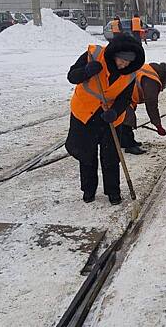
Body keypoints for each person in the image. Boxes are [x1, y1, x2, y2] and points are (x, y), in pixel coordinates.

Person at [65, 34, 145, 205]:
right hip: (84, 113)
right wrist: (86, 71)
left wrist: (115, 112)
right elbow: (72, 76)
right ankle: (88, 190)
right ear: (114, 54)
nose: (124, 64)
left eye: (128, 62)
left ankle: (113, 192)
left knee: (111, 156)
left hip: (109, 118)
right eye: (122, 60)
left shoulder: (129, 74)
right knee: (87, 155)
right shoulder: (93, 55)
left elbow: (125, 98)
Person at [118, 62, 166, 154]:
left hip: (124, 93)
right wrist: (158, 125)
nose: (162, 89)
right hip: (120, 93)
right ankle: (129, 145)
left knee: (125, 117)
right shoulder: (152, 81)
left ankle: (125, 141)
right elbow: (151, 105)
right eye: (165, 86)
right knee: (128, 118)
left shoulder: (151, 69)